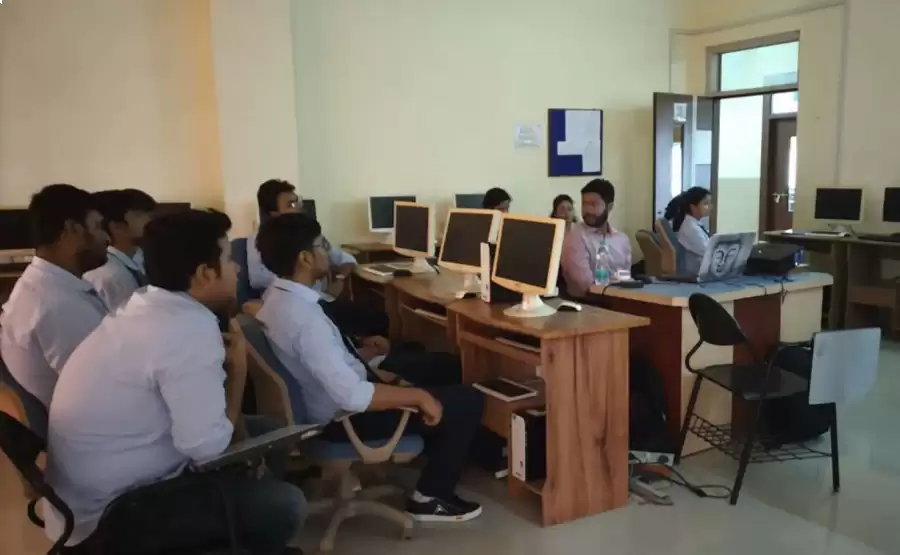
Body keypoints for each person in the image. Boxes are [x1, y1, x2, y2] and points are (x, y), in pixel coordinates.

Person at [45, 210, 306, 554]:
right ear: (204, 274)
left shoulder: (146, 304)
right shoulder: (187, 328)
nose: (237, 269)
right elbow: (207, 449)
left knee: (266, 433)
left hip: (78, 502)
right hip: (113, 517)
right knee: (285, 504)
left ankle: (236, 518)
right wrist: (238, 374)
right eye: (228, 259)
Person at [255, 213, 484, 522]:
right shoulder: (304, 319)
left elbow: (322, 359)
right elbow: (352, 396)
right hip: (345, 419)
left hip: (325, 401)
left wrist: (367, 358)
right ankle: (431, 496)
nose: (328, 251)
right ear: (306, 258)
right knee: (468, 399)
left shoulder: (277, 297)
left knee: (443, 366)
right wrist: (418, 397)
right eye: (322, 245)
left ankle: (444, 453)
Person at [0, 184, 109, 408]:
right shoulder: (58, 304)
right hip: (86, 422)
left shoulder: (41, 287)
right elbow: (103, 387)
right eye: (98, 227)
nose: (106, 238)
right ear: (72, 229)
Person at [248, 179, 389, 337]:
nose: (299, 207)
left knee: (377, 317)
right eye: (291, 205)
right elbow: (257, 279)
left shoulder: (310, 237)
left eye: (298, 202)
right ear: (273, 213)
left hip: (319, 299)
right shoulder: (261, 241)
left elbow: (346, 259)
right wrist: (304, 275)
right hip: (297, 302)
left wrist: (338, 279)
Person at [83, 189, 157, 310]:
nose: (149, 221)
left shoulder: (141, 258)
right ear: (116, 226)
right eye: (138, 215)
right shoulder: (106, 276)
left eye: (149, 215)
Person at [560, 179, 632, 298]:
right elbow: (586, 287)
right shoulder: (575, 237)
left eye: (593, 204)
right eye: (584, 204)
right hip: (587, 303)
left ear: (609, 207)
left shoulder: (622, 240)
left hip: (621, 300)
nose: (587, 210)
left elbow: (626, 279)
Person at [664, 187, 712, 275]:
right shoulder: (691, 229)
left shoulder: (694, 224)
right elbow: (709, 253)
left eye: (710, 203)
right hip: (698, 272)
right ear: (693, 207)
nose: (710, 207)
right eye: (705, 203)